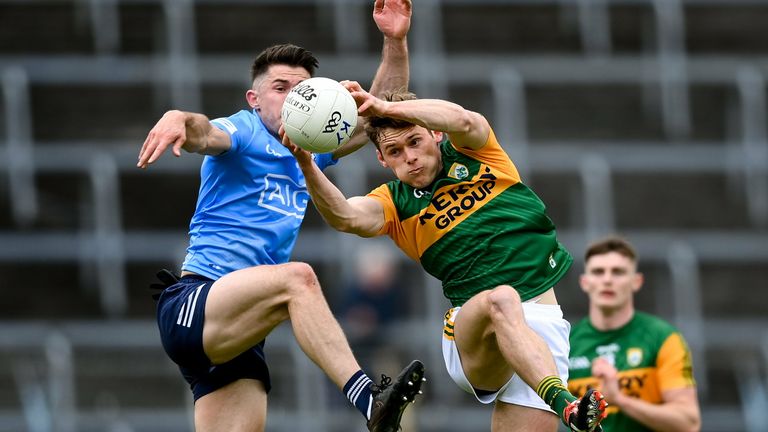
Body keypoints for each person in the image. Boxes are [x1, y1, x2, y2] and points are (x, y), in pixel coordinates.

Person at [135, 2, 426, 432]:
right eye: (280, 87)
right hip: (197, 302)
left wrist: (395, 41)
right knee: (299, 279)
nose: (293, 97)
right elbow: (204, 133)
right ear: (254, 99)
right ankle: (369, 400)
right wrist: (179, 118)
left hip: (241, 329)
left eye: (303, 89)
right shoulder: (244, 130)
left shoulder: (308, 152)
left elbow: (378, 116)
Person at [280, 85, 607, 432]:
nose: (409, 157)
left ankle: (562, 402)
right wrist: (305, 163)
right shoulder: (394, 202)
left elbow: (463, 118)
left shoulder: (477, 151)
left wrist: (382, 104)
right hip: (473, 329)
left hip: (542, 327)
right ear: (382, 159)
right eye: (394, 151)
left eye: (415, 141)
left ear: (434, 133)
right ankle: (567, 405)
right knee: (502, 298)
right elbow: (345, 216)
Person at [567, 236, 701, 431]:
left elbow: (689, 423)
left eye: (618, 272)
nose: (607, 279)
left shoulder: (663, 338)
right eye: (598, 272)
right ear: (585, 282)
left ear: (636, 281)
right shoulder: (566, 343)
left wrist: (620, 399)